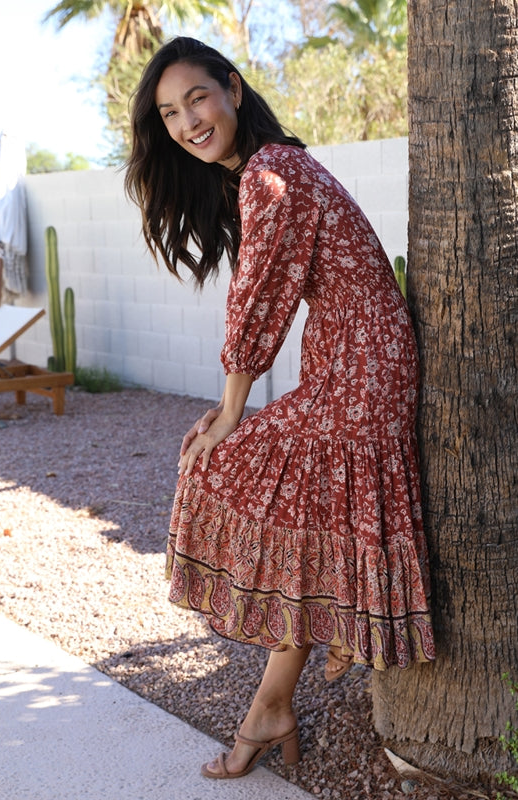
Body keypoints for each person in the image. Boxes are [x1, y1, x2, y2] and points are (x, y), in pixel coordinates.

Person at [125, 36, 435, 780]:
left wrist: (230, 411)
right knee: (302, 520)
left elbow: (257, 300)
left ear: (232, 89)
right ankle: (274, 702)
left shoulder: (271, 172)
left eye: (197, 98)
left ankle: (277, 698)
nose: (187, 122)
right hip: (355, 361)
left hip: (364, 370)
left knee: (220, 461)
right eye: (169, 114)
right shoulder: (272, 167)